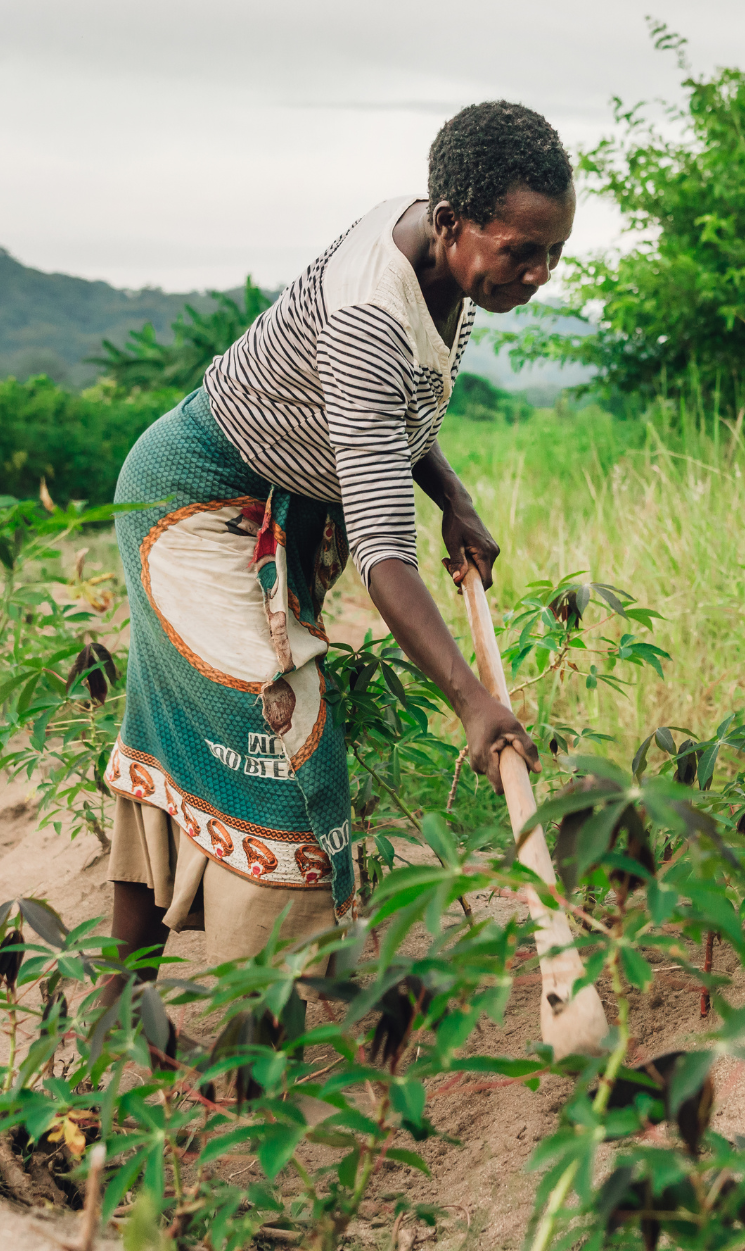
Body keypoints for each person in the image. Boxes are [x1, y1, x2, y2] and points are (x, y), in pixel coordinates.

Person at [99, 100, 572, 993]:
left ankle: (121, 1010)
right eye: (521, 251)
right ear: (449, 222)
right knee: (283, 739)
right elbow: (386, 559)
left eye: (554, 252)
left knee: (179, 745)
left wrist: (455, 498)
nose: (539, 273)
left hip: (281, 507)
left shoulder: (441, 253)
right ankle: (254, 1038)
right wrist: (474, 703)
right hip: (194, 507)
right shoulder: (369, 315)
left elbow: (396, 410)